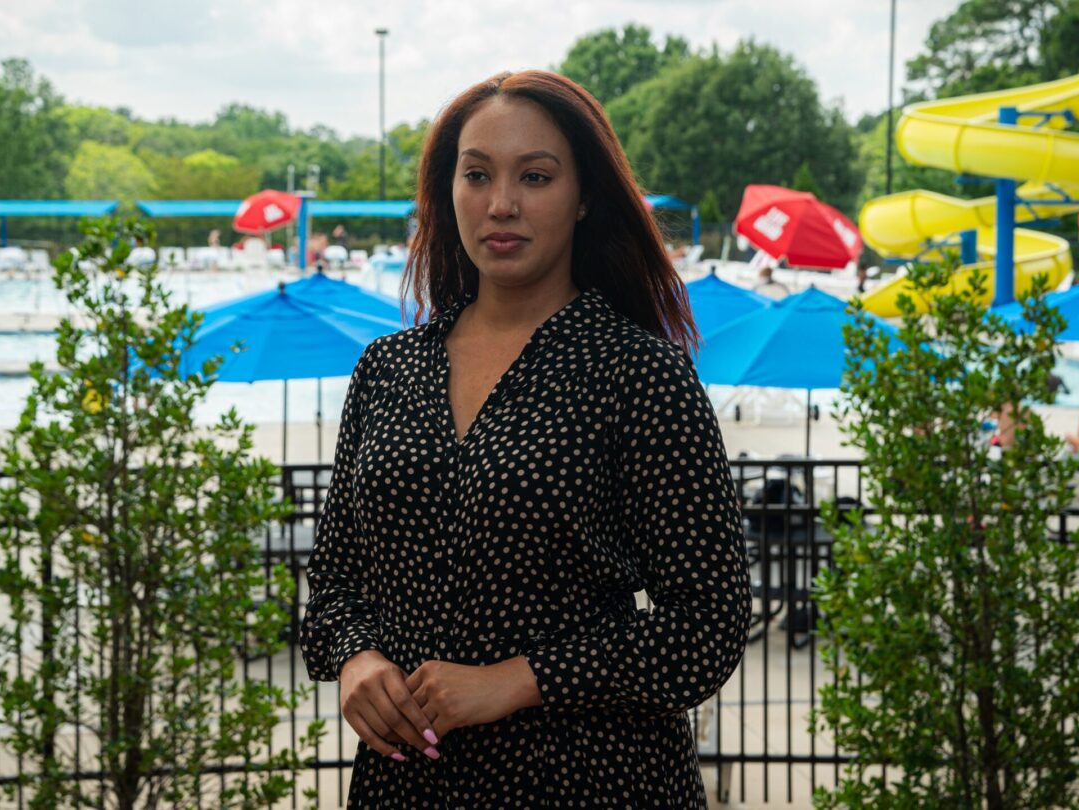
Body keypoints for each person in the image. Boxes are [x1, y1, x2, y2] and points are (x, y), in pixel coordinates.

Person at [299, 69, 751, 807]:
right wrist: (356, 661)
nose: (500, 204)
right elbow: (337, 588)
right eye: (476, 174)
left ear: (584, 199)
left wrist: (518, 681)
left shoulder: (637, 374)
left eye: (534, 177)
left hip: (592, 780)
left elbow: (707, 625)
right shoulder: (387, 370)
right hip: (409, 783)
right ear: (448, 192)